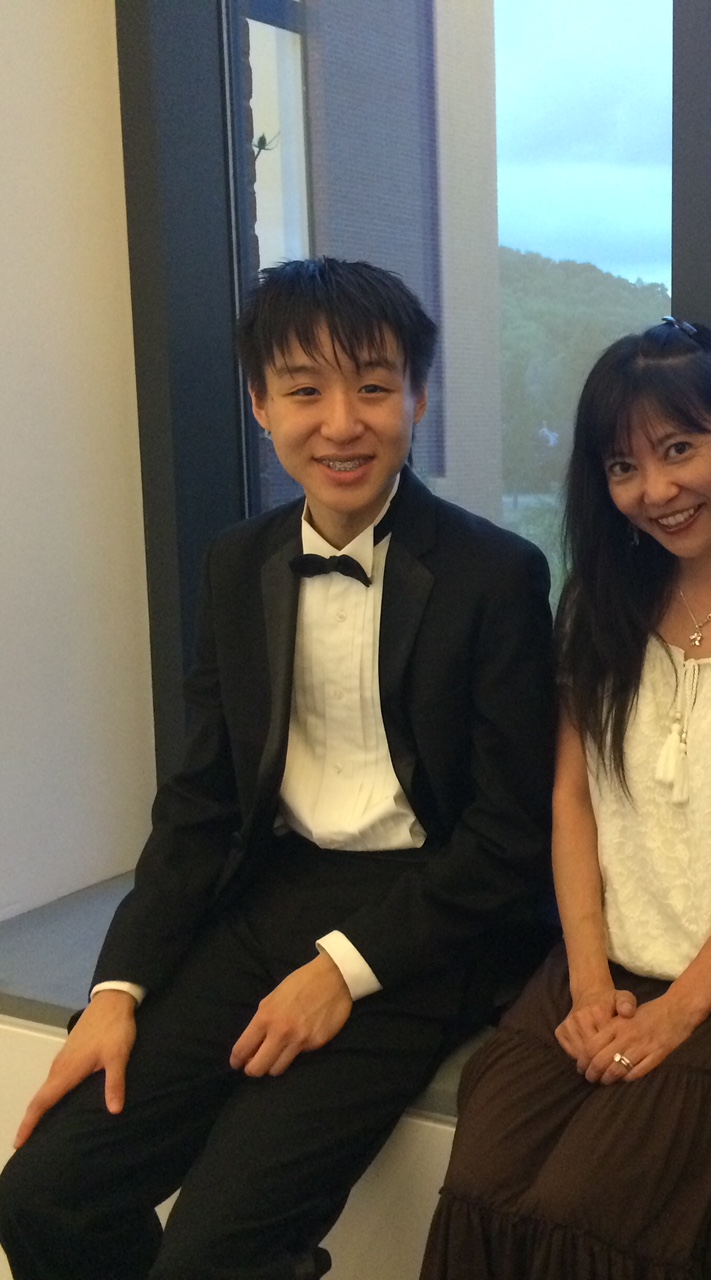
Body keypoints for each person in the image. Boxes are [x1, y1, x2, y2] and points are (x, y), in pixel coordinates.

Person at [0, 258, 556, 1279]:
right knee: (43, 1193)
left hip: (426, 926)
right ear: (261, 405)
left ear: (416, 398)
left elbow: (510, 834)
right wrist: (117, 985)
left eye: (373, 386)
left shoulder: (497, 574)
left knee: (212, 1251)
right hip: (268, 900)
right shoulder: (237, 563)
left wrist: (342, 969)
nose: (342, 423)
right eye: (305, 390)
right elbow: (202, 802)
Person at [421, 318, 711, 1279]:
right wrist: (588, 979)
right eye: (623, 467)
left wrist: (681, 1011)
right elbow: (572, 800)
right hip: (601, 962)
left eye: (679, 449)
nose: (655, 490)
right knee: (482, 1173)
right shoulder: (597, 606)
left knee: (590, 1205)